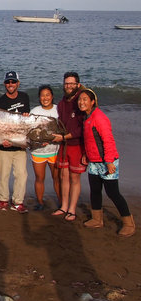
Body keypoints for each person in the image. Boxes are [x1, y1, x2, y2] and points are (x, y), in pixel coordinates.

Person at [79, 89, 134, 236]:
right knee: (95, 191)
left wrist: (109, 162)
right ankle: (97, 219)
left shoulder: (99, 117)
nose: (81, 102)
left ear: (93, 102)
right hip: (94, 162)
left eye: (85, 99)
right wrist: (86, 154)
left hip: (107, 161)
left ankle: (129, 223)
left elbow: (108, 140)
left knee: (113, 193)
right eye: (80, 100)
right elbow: (89, 139)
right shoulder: (86, 117)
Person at [51, 72, 87, 221]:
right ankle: (64, 206)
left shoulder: (81, 102)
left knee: (74, 178)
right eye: (66, 83)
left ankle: (72, 209)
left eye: (72, 83)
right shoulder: (61, 104)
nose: (69, 86)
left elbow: (82, 129)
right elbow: (60, 125)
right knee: (63, 176)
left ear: (78, 85)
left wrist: (65, 137)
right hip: (64, 145)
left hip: (77, 145)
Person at [0, 71, 30, 213]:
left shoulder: (24, 97)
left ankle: (18, 202)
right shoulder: (0, 102)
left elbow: (24, 122)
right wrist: (3, 140)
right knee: (4, 175)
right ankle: (3, 200)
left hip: (19, 145)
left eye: (13, 82)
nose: (10, 84)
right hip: (3, 145)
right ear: (4, 84)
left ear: (18, 83)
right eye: (8, 82)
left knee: (22, 174)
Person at [29, 85, 60, 210]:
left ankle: (61, 202)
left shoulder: (59, 110)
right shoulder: (34, 111)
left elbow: (63, 129)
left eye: (48, 95)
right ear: (39, 97)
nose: (45, 98)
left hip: (55, 151)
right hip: (38, 151)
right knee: (39, 178)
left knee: (57, 178)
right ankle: (40, 202)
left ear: (52, 96)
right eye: (42, 95)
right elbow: (29, 132)